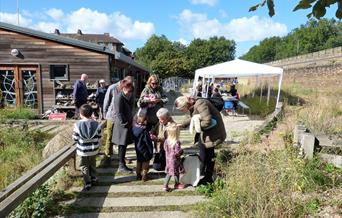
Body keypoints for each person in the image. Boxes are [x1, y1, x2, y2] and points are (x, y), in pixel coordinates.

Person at [174, 96, 226, 184]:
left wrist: (194, 125)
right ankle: (203, 172)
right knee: (205, 152)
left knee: (208, 154)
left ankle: (208, 177)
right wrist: (182, 124)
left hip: (213, 132)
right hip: (207, 132)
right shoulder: (193, 105)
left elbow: (207, 121)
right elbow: (193, 117)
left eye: (182, 109)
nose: (182, 111)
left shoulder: (201, 103)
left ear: (186, 104)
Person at [72, 104, 102, 191]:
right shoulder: (97, 124)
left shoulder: (77, 125)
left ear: (81, 114)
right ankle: (94, 178)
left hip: (83, 151)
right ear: (91, 113)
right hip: (93, 150)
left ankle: (87, 182)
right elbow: (99, 137)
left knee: (84, 166)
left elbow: (75, 138)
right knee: (92, 164)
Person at [102, 76, 133, 158]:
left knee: (120, 138)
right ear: (124, 82)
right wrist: (105, 115)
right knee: (110, 136)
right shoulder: (112, 88)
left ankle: (120, 156)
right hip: (112, 116)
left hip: (122, 117)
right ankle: (108, 155)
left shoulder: (129, 89)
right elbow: (106, 101)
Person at [111, 81, 134, 173]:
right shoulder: (119, 97)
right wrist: (125, 123)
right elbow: (118, 112)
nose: (130, 93)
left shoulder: (125, 96)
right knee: (122, 146)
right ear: (123, 88)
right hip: (122, 126)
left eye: (131, 91)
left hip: (125, 125)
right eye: (128, 91)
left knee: (124, 146)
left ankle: (123, 164)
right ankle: (121, 165)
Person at [132, 111, 154, 181]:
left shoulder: (134, 128)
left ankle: (138, 174)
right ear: (145, 121)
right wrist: (151, 150)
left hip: (137, 148)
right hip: (144, 148)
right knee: (146, 161)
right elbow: (147, 141)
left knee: (139, 161)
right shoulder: (144, 131)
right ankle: (144, 175)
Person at [163, 124, 185, 191]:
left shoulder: (166, 141)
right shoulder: (176, 142)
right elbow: (177, 152)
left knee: (169, 172)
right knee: (176, 172)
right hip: (175, 160)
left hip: (168, 159)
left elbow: (165, 149)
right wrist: (181, 151)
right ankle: (175, 184)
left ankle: (166, 185)